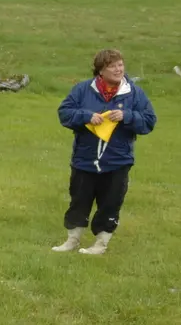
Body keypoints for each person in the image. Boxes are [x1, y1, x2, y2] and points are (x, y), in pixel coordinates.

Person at [53, 49, 157, 255]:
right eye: (112, 66)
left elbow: (149, 121)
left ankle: (100, 244)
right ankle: (72, 240)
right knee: (79, 200)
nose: (118, 69)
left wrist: (127, 116)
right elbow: (64, 113)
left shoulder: (134, 94)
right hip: (84, 159)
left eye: (120, 64)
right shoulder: (82, 90)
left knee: (110, 203)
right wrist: (86, 116)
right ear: (100, 70)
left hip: (117, 161)